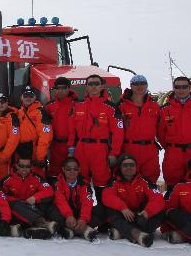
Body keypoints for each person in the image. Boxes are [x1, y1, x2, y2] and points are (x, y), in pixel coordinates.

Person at [68, 74, 124, 214]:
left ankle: (104, 216)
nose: (93, 86)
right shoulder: (78, 105)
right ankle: (81, 213)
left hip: (100, 149)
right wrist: (71, 148)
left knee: (102, 183)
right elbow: (71, 129)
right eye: (90, 84)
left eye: (96, 84)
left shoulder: (110, 107)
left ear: (102, 86)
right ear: (86, 87)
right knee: (80, 182)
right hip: (82, 148)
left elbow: (118, 132)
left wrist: (114, 153)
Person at [101, 154, 165, 248]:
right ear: (120, 168)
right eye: (125, 165)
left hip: (140, 215)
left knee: (162, 213)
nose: (129, 168)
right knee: (109, 210)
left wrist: (148, 212)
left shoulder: (144, 181)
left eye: (132, 165)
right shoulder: (114, 181)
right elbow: (107, 196)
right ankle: (137, 234)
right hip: (122, 215)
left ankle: (122, 232)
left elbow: (158, 198)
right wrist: (123, 208)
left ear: (136, 167)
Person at [157, 77, 191, 191]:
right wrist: (172, 146)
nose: (181, 90)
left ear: (190, 88)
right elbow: (160, 134)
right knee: (173, 188)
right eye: (177, 87)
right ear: (173, 88)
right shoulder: (164, 110)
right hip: (173, 155)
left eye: (184, 87)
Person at [0, 156, 57, 239]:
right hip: (15, 211)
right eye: (21, 166)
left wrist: (34, 198)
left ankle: (30, 228)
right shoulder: (7, 179)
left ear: (31, 167)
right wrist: (17, 201)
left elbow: (49, 191)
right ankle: (42, 223)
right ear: (16, 166)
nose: (24, 169)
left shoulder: (36, 178)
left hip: (32, 209)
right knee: (13, 204)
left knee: (48, 203)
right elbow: (0, 195)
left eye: (27, 166)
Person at [118, 75, 162, 184]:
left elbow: (161, 129)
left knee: (151, 179)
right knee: (129, 181)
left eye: (142, 83)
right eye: (136, 84)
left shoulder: (154, 107)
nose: (139, 86)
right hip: (129, 148)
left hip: (149, 150)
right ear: (131, 86)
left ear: (147, 85)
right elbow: (116, 131)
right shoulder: (121, 106)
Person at [49, 157, 99, 241]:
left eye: (75, 169)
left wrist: (83, 219)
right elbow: (60, 201)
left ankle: (71, 229)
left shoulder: (84, 184)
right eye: (68, 169)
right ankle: (84, 230)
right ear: (63, 169)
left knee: (99, 210)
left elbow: (87, 202)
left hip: (79, 214)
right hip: (64, 214)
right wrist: (69, 216)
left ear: (79, 170)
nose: (72, 172)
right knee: (51, 210)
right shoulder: (57, 183)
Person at [44, 77, 79, 180]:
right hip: (54, 146)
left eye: (63, 88)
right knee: (54, 173)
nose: (60, 91)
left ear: (69, 88)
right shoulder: (49, 106)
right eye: (58, 88)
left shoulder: (77, 105)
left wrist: (73, 146)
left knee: (70, 174)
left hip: (71, 146)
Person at [14, 87, 53, 177]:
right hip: (21, 151)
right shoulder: (20, 112)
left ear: (35, 97)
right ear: (21, 97)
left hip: (34, 152)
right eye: (26, 96)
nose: (28, 98)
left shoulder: (40, 113)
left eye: (30, 96)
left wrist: (40, 157)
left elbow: (45, 137)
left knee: (36, 177)